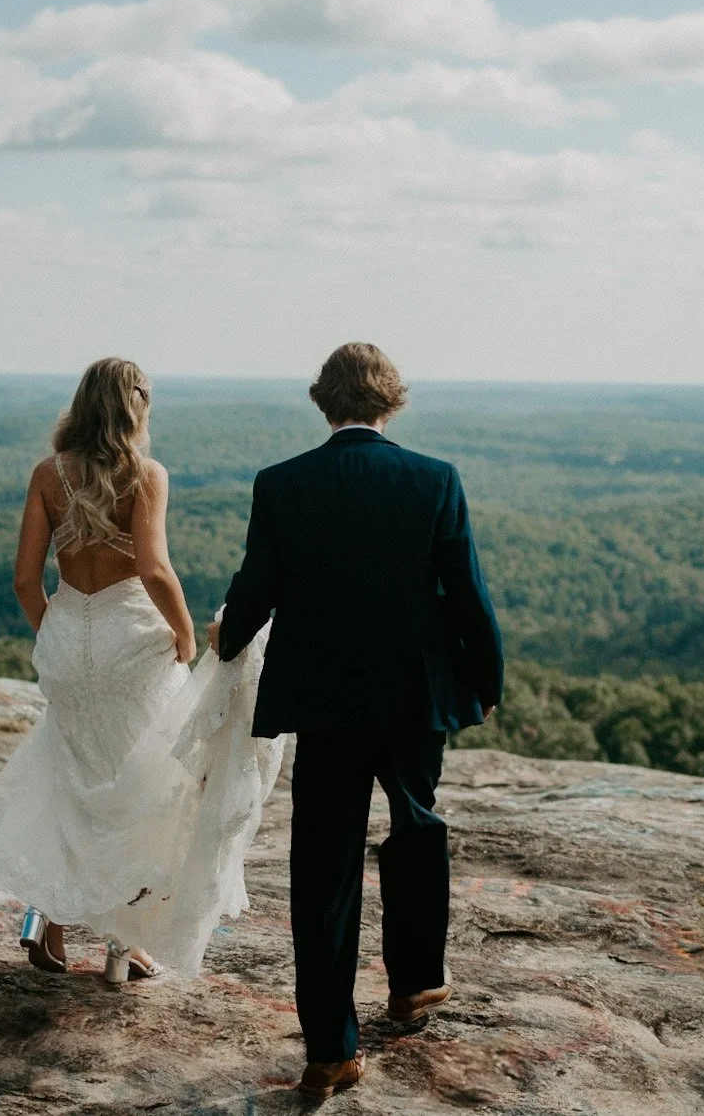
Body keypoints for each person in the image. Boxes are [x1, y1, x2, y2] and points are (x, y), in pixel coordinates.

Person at [209, 343, 504, 1103]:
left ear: (323, 401)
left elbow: (257, 586)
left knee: (323, 869)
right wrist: (485, 678)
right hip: (411, 700)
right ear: (390, 401)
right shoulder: (434, 479)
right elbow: (466, 593)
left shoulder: (282, 484)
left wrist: (225, 643)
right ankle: (412, 984)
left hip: (324, 703)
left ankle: (330, 1050)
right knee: (415, 826)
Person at [0, 358, 284, 985]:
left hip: (69, 633)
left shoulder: (47, 475)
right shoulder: (144, 475)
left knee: (71, 778)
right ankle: (123, 947)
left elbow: (26, 578)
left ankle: (48, 928)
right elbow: (155, 571)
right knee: (146, 788)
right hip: (131, 641)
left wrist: (53, 632)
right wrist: (185, 638)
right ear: (136, 409)